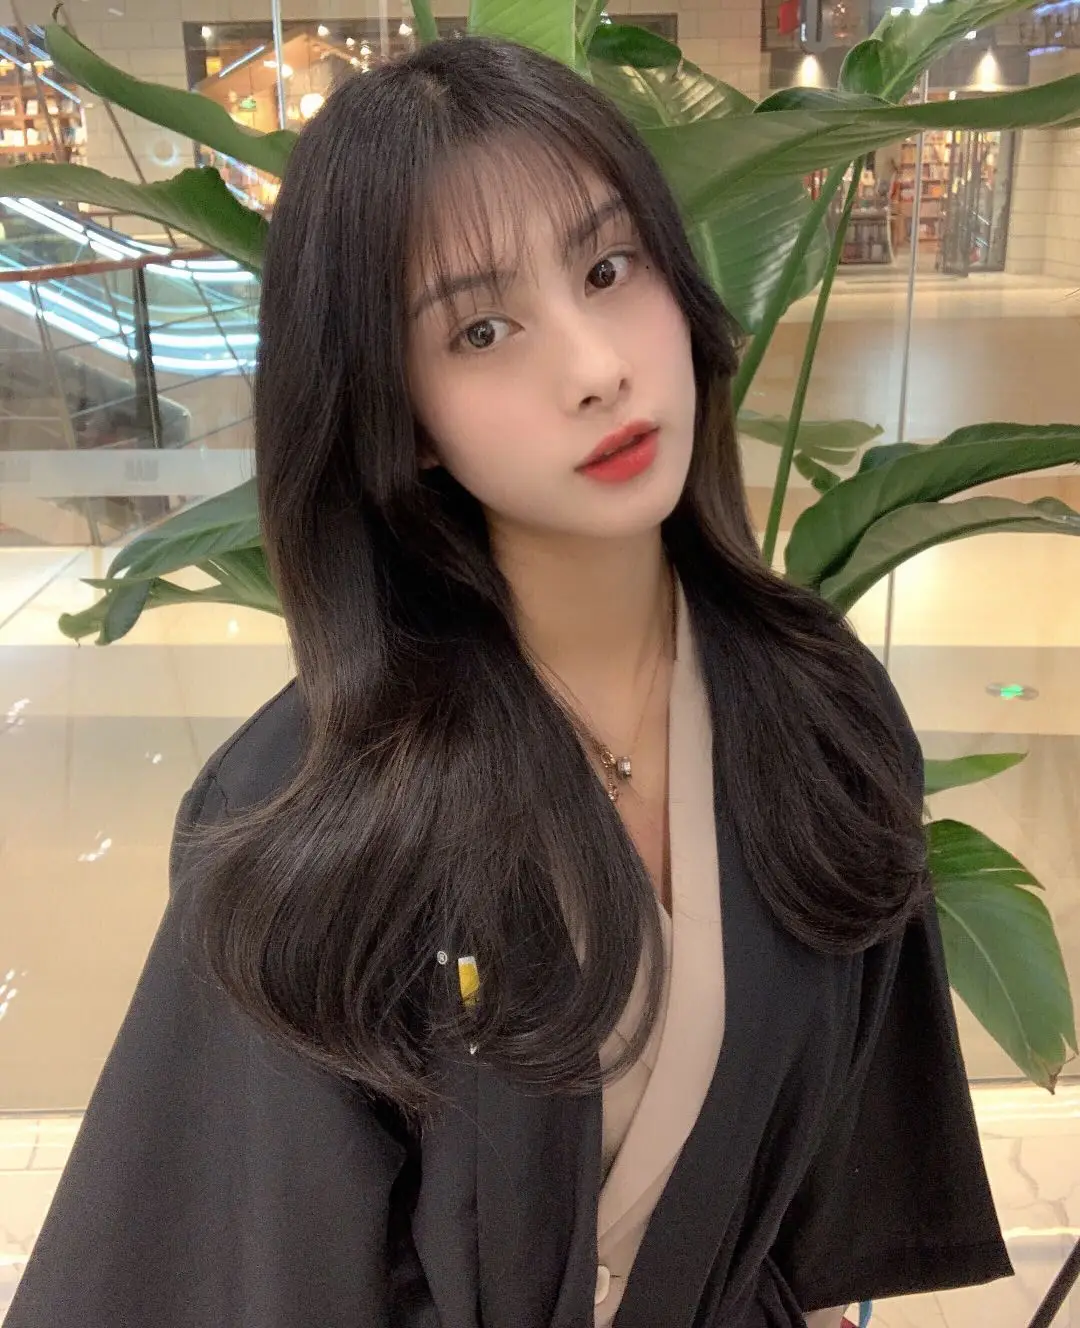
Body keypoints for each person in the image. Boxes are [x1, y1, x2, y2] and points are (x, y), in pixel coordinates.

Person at [7, 35, 1011, 1328]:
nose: (595, 368)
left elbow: (826, 1217)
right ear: (404, 417)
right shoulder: (312, 815)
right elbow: (247, 1269)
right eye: (482, 330)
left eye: (608, 268)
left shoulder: (821, 710)